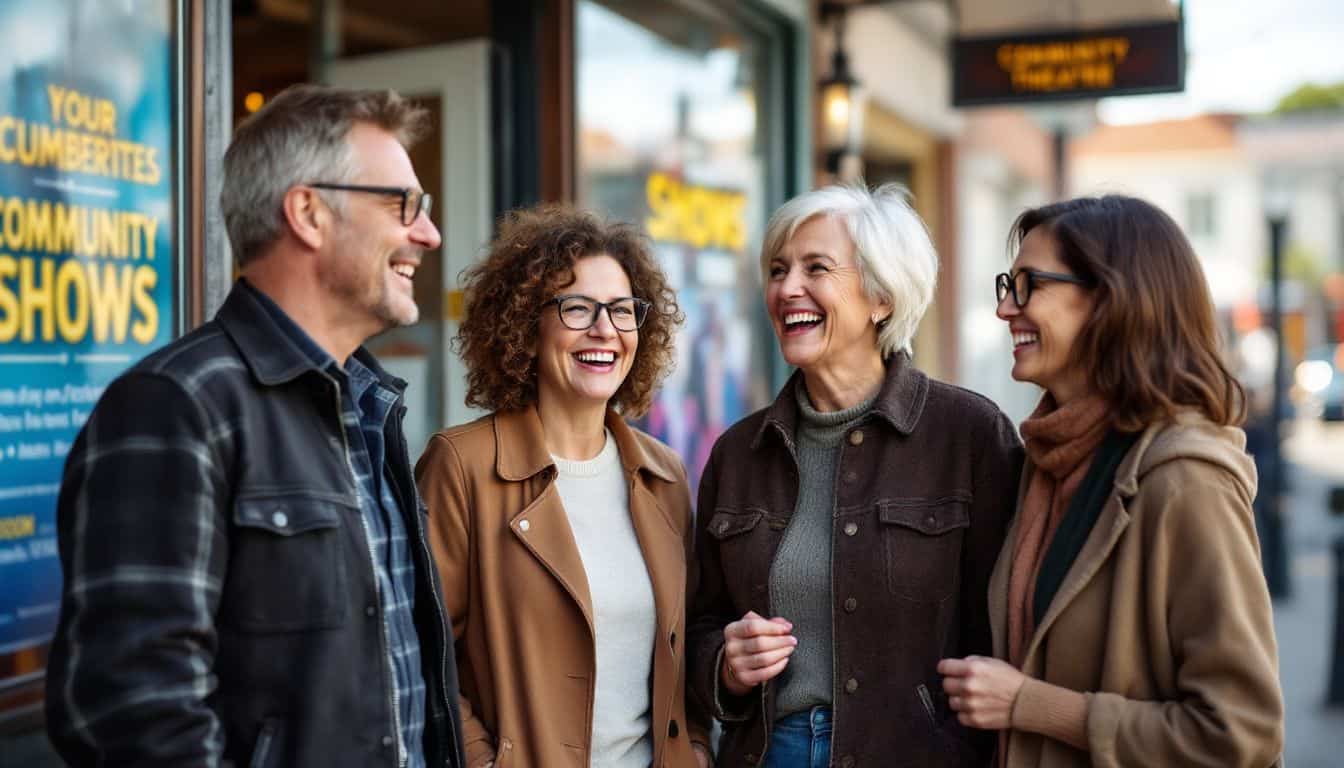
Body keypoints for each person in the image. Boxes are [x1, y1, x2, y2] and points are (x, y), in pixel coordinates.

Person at [45, 84, 465, 767]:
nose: (427, 232)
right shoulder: (176, 405)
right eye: (403, 205)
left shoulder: (367, 406)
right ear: (308, 213)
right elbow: (131, 712)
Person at [939, 195, 1284, 767]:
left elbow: (1242, 732)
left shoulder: (1186, 482)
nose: (1005, 308)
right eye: (1007, 283)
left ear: (1110, 301)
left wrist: (1031, 704)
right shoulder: (1047, 461)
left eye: (1029, 286)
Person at [687, 183, 1023, 767]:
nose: (788, 288)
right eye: (777, 269)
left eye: (817, 268)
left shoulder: (969, 436)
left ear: (881, 297)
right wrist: (724, 665)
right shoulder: (738, 454)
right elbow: (696, 626)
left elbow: (1010, 632)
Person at [415, 204, 712, 767]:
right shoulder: (462, 466)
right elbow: (423, 655)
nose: (605, 329)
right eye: (578, 308)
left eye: (622, 311)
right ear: (527, 324)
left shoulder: (665, 476)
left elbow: (687, 646)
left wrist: (694, 749)